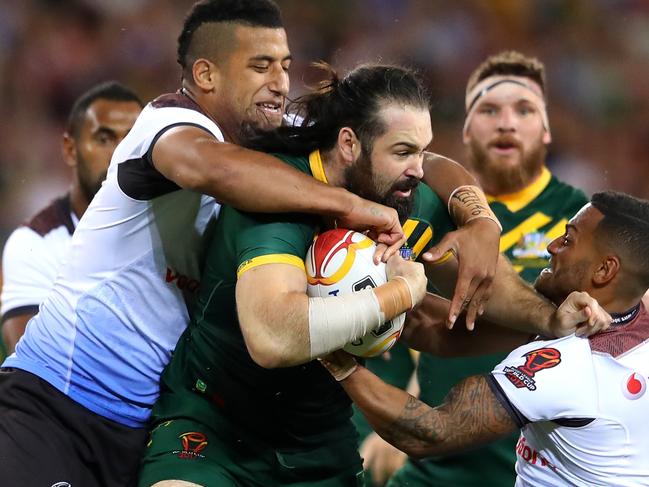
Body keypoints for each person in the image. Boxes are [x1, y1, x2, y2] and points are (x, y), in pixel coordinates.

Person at [0, 2, 498, 485]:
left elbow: (411, 153)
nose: (280, 81)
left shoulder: (277, 136)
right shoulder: (166, 123)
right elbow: (210, 168)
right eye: (260, 66)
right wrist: (352, 206)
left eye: (284, 65)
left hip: (142, 425)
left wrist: (477, 215)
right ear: (206, 75)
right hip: (60, 405)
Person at [138, 62, 607, 487]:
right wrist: (401, 293)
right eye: (403, 151)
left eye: (421, 150)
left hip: (318, 446)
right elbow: (273, 339)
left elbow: (442, 316)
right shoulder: (279, 199)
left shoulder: (401, 193)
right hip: (214, 429)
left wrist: (547, 320)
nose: (417, 170)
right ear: (348, 144)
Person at [322, 191, 649, 486]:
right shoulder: (630, 322)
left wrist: (338, 362)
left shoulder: (568, 362)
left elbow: (428, 433)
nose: (552, 246)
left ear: (605, 271)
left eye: (568, 239)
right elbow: (435, 325)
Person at [378, 50, 591, 487]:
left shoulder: (584, 221)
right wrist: (378, 424)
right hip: (434, 457)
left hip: (543, 462)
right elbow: (395, 326)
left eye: (525, 110)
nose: (506, 122)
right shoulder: (424, 206)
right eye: (489, 109)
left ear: (547, 130)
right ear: (466, 131)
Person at [0, 81, 143, 355]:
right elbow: (33, 363)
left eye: (132, 140)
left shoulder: (171, 227)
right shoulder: (35, 243)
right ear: (70, 149)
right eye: (104, 139)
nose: (120, 154)